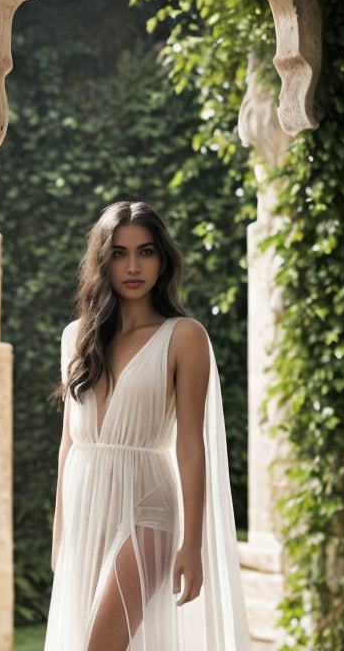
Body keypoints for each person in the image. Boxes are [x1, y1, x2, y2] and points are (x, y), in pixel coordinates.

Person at [44, 201, 250, 651]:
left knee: (100, 645)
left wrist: (191, 545)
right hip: (85, 507)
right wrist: (60, 531)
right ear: (102, 260)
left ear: (163, 258)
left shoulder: (184, 336)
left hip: (148, 509)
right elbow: (69, 442)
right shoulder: (75, 338)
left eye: (146, 251)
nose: (133, 266)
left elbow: (191, 447)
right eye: (119, 253)